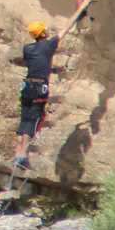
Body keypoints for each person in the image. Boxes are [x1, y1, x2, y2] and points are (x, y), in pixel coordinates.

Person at [12, 18, 74, 170]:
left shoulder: (27, 48)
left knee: (24, 119)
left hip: (27, 86)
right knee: (32, 121)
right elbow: (66, 29)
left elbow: (36, 62)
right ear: (43, 33)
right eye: (45, 29)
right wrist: (83, 7)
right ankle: (23, 156)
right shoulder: (48, 45)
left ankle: (16, 155)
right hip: (39, 88)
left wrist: (51, 70)